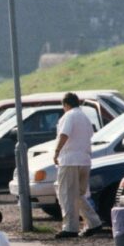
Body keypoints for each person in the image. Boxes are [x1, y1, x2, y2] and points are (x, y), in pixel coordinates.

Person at [53, 92, 103, 238]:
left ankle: (70, 227)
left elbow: (64, 134)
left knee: (67, 195)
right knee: (79, 195)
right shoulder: (85, 117)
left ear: (65, 104)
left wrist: (56, 151)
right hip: (84, 160)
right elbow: (90, 135)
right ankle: (94, 222)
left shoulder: (68, 116)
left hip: (69, 160)